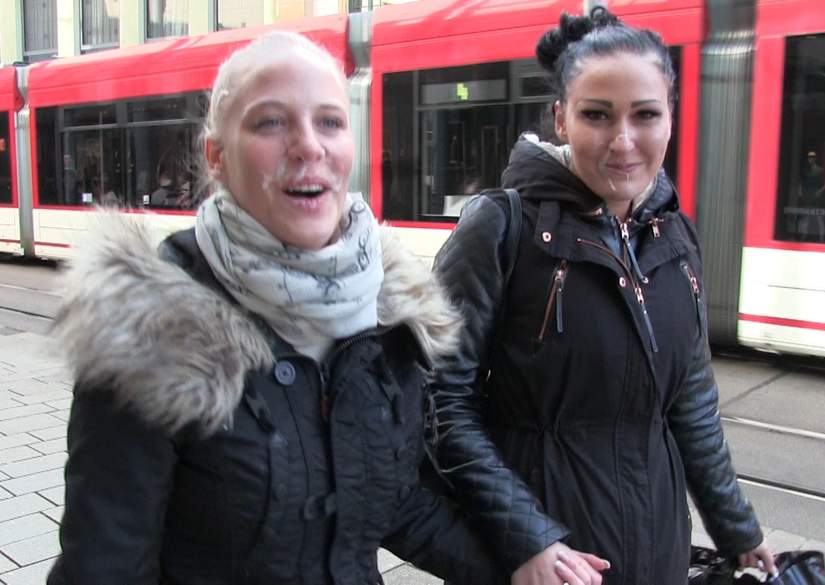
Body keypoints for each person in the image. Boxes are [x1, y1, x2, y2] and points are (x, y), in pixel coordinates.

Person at [47, 31, 511, 585]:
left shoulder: (390, 309)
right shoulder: (151, 327)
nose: (309, 146)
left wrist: (525, 563)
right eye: (270, 122)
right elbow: (105, 566)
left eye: (330, 122)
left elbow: (394, 501)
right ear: (216, 157)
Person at [428, 9, 776, 585]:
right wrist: (529, 539)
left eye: (645, 114)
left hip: (658, 551)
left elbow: (690, 403)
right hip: (541, 565)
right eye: (597, 115)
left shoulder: (674, 236)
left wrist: (738, 530)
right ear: (561, 119)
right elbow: (440, 404)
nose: (623, 141)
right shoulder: (499, 227)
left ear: (670, 119)